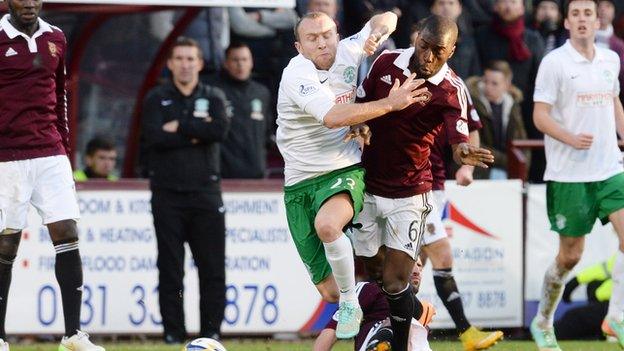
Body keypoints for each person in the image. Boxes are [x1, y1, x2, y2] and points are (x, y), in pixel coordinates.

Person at [276, 10, 429, 339]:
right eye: (312, 38)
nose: (322, 43)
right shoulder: (297, 74)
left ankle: (352, 304)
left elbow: (387, 17)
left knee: (329, 226)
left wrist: (378, 31)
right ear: (299, 46)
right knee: (329, 291)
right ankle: (408, 308)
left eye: (327, 35)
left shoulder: (348, 49)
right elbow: (333, 117)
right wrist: (390, 103)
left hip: (342, 168)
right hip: (299, 183)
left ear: (337, 34)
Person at [351, 15, 494, 351]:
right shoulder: (385, 62)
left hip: (411, 192)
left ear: (452, 50)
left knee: (397, 280)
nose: (428, 57)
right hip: (368, 187)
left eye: (438, 51)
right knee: (371, 272)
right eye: (423, 46)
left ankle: (400, 346)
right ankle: (380, 331)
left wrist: (462, 153)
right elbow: (360, 105)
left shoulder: (451, 90)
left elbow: (458, 140)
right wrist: (362, 126)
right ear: (416, 39)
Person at [0, 1, 105, 350]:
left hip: (49, 151)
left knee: (67, 229)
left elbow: (60, 94)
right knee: (7, 241)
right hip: (7, 155)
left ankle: (73, 335)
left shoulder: (56, 37)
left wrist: (62, 145)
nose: (28, 3)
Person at [530, 0, 624, 349]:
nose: (583, 20)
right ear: (567, 22)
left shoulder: (610, 58)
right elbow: (540, 116)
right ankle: (543, 320)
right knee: (570, 256)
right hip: (569, 174)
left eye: (588, 14)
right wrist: (570, 138)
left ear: (597, 21)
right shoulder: (554, 63)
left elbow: (613, 99)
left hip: (610, 167)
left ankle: (615, 316)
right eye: (576, 14)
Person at [141, 37, 231, 344]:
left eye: (190, 58)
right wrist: (195, 129)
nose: (185, 64)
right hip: (167, 196)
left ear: (200, 63)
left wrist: (177, 127)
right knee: (170, 269)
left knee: (212, 268)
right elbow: (153, 137)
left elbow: (218, 130)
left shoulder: (214, 96)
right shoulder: (156, 98)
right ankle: (173, 333)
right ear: (170, 63)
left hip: (206, 194)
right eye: (179, 58)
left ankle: (211, 334)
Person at [313, 258, 436, 351]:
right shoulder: (370, 289)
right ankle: (379, 345)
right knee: (400, 322)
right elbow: (333, 329)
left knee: (413, 325)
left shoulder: (422, 309)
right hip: (377, 338)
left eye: (419, 266)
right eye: (410, 264)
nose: (416, 271)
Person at [207, 42, 272, 179]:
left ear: (251, 62)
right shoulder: (214, 92)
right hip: (222, 175)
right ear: (226, 63)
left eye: (244, 60)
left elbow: (267, 133)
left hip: (256, 173)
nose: (240, 65)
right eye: (235, 60)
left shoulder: (261, 93)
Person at [467, 60, 529, 179]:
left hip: (508, 171)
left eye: (494, 83)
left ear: (507, 85)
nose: (488, 87)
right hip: (479, 173)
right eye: (486, 81)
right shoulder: (472, 103)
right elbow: (474, 143)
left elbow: (522, 142)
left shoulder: (513, 106)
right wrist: (508, 161)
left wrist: (522, 170)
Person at [430, 0, 481, 79]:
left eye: (451, 3)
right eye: (441, 3)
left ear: (460, 8)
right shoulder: (424, 38)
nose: (446, 7)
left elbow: (475, 72)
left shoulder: (468, 39)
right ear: (433, 8)